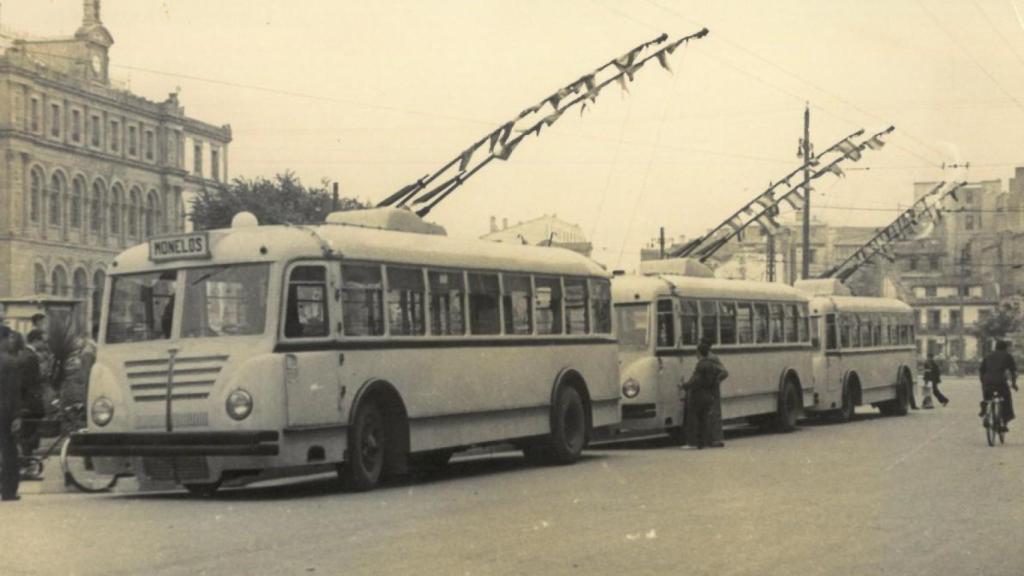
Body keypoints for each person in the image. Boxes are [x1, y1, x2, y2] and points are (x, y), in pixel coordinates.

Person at [680, 337, 729, 449]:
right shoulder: (708, 358)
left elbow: (724, 372)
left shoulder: (711, 358)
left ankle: (715, 439)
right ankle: (710, 440)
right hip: (709, 389)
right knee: (708, 414)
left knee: (711, 414)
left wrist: (714, 382)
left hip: (710, 389)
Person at [979, 340, 1018, 432]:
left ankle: (985, 412)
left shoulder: (988, 356)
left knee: (987, 398)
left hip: (987, 382)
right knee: (1006, 400)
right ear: (1005, 348)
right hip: (1000, 382)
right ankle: (1004, 424)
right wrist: (1013, 384)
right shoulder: (1007, 356)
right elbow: (1013, 371)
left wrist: (983, 382)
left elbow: (981, 370)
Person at [0, 337, 22, 501]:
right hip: (5, 413)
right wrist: (16, 415)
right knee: (9, 452)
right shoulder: (9, 362)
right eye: (8, 338)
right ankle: (8, 490)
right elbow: (14, 392)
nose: (11, 341)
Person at [19, 331, 46, 457]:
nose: (44, 343)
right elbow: (30, 382)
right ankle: (27, 459)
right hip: (31, 402)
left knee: (26, 431)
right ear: (35, 340)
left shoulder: (23, 354)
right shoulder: (31, 357)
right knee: (31, 431)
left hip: (24, 401)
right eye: (42, 341)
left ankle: (27, 458)